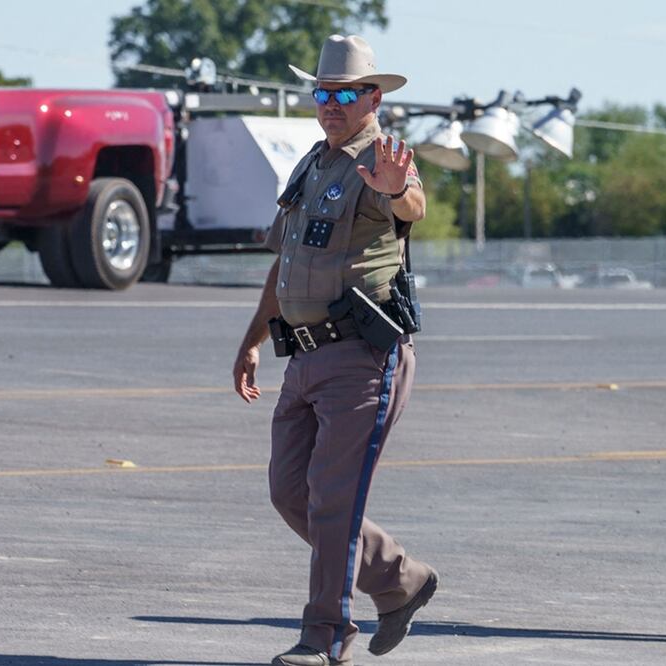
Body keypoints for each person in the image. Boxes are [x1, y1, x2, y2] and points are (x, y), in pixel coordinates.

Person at [232, 34, 437, 666]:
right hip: (304, 358)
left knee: (332, 498)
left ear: (373, 97)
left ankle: (324, 636)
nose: (332, 103)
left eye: (346, 93)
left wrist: (399, 188)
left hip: (360, 358)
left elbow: (411, 204)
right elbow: (286, 264)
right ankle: (400, 579)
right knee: (290, 491)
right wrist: (252, 341)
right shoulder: (312, 164)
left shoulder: (381, 158)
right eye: (322, 92)